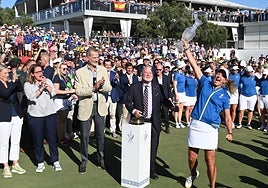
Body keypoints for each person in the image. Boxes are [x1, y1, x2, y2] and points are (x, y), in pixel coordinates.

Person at [183, 41, 233, 188]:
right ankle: (193, 174)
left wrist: (230, 132)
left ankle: (212, 186)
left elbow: (228, 117)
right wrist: (186, 49)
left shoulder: (225, 95)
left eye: (222, 75)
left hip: (211, 129)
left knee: (210, 161)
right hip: (196, 124)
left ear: (225, 80)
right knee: (192, 158)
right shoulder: (205, 81)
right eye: (218, 73)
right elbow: (193, 64)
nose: (218, 76)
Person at [125, 65, 178, 180]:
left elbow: (164, 100)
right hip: (140, 123)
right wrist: (133, 111)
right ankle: (139, 170)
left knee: (153, 148)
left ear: (153, 75)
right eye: (146, 73)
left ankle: (151, 171)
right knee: (140, 149)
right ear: (141, 74)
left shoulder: (157, 87)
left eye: (150, 73)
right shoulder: (134, 87)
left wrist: (173, 107)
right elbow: (127, 102)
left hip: (154, 123)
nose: (148, 74)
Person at [74, 47, 111, 174]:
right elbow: (78, 91)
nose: (96, 59)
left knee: (101, 135)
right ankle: (84, 160)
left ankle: (101, 159)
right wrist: (93, 88)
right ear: (87, 57)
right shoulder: (80, 72)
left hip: (100, 106)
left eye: (97, 57)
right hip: (86, 107)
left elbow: (108, 87)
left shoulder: (103, 70)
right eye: (94, 57)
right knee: (84, 136)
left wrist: (101, 86)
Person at [24, 64, 62, 173]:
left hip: (50, 114)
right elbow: (31, 97)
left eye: (41, 71)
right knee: (38, 140)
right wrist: (40, 88)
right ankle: (40, 162)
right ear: (32, 74)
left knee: (52, 139)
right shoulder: (28, 84)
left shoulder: (48, 81)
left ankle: (55, 160)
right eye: (37, 72)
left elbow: (54, 92)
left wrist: (46, 85)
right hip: (36, 116)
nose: (40, 73)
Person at [0, 64, 26, 178]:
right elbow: (5, 93)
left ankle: (15, 163)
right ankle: (5, 166)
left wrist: (16, 77)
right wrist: (14, 82)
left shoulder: (11, 83)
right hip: (4, 116)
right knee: (4, 142)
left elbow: (20, 88)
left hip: (16, 115)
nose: (7, 75)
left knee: (16, 141)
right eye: (4, 73)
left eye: (7, 73)